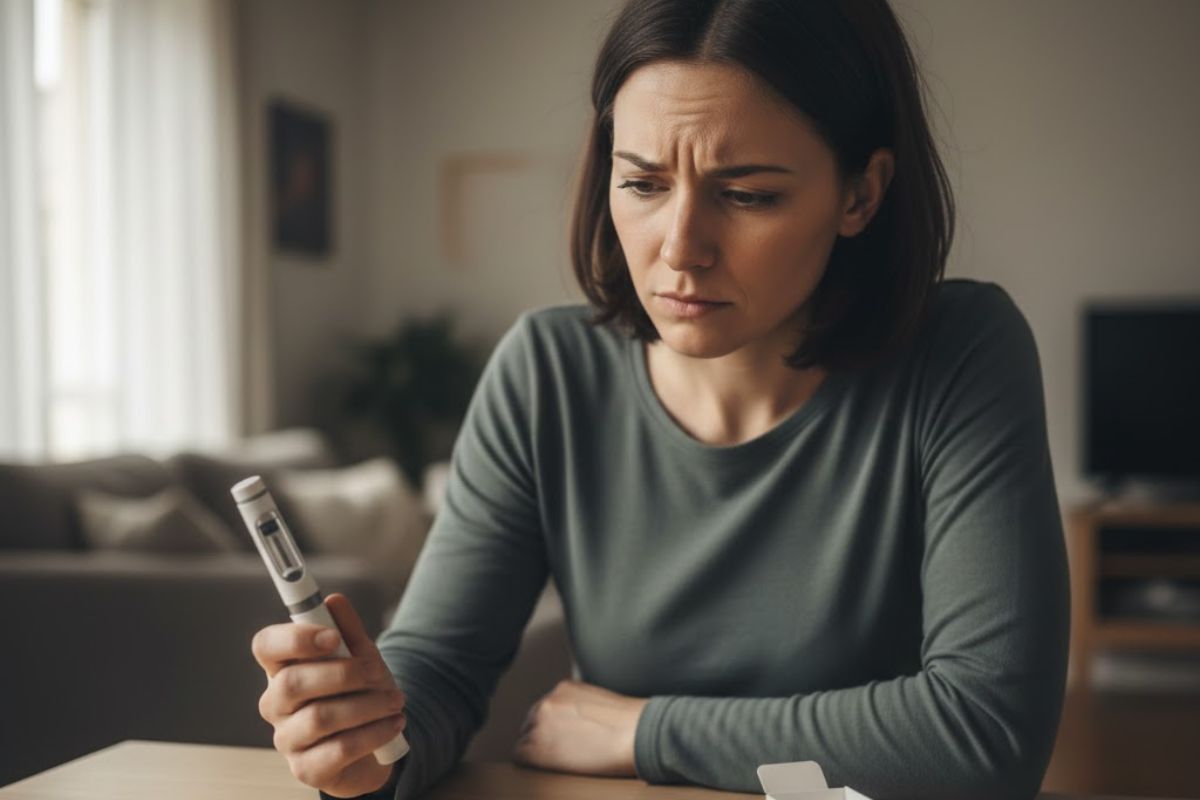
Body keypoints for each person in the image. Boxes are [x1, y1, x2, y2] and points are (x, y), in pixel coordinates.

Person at [250, 0, 1070, 798]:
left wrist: (644, 733)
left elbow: (984, 734)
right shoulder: (548, 371)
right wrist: (366, 748)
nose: (680, 251)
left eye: (747, 195)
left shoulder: (961, 351)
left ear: (860, 193)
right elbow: (439, 667)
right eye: (643, 185)